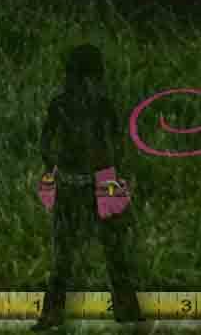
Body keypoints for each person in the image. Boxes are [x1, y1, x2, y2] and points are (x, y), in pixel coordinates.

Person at [38, 43, 143, 325]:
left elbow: (47, 143)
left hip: (92, 182)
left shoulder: (82, 106)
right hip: (87, 182)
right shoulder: (75, 106)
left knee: (102, 250)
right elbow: (48, 143)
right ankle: (57, 312)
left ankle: (124, 309)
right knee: (81, 252)